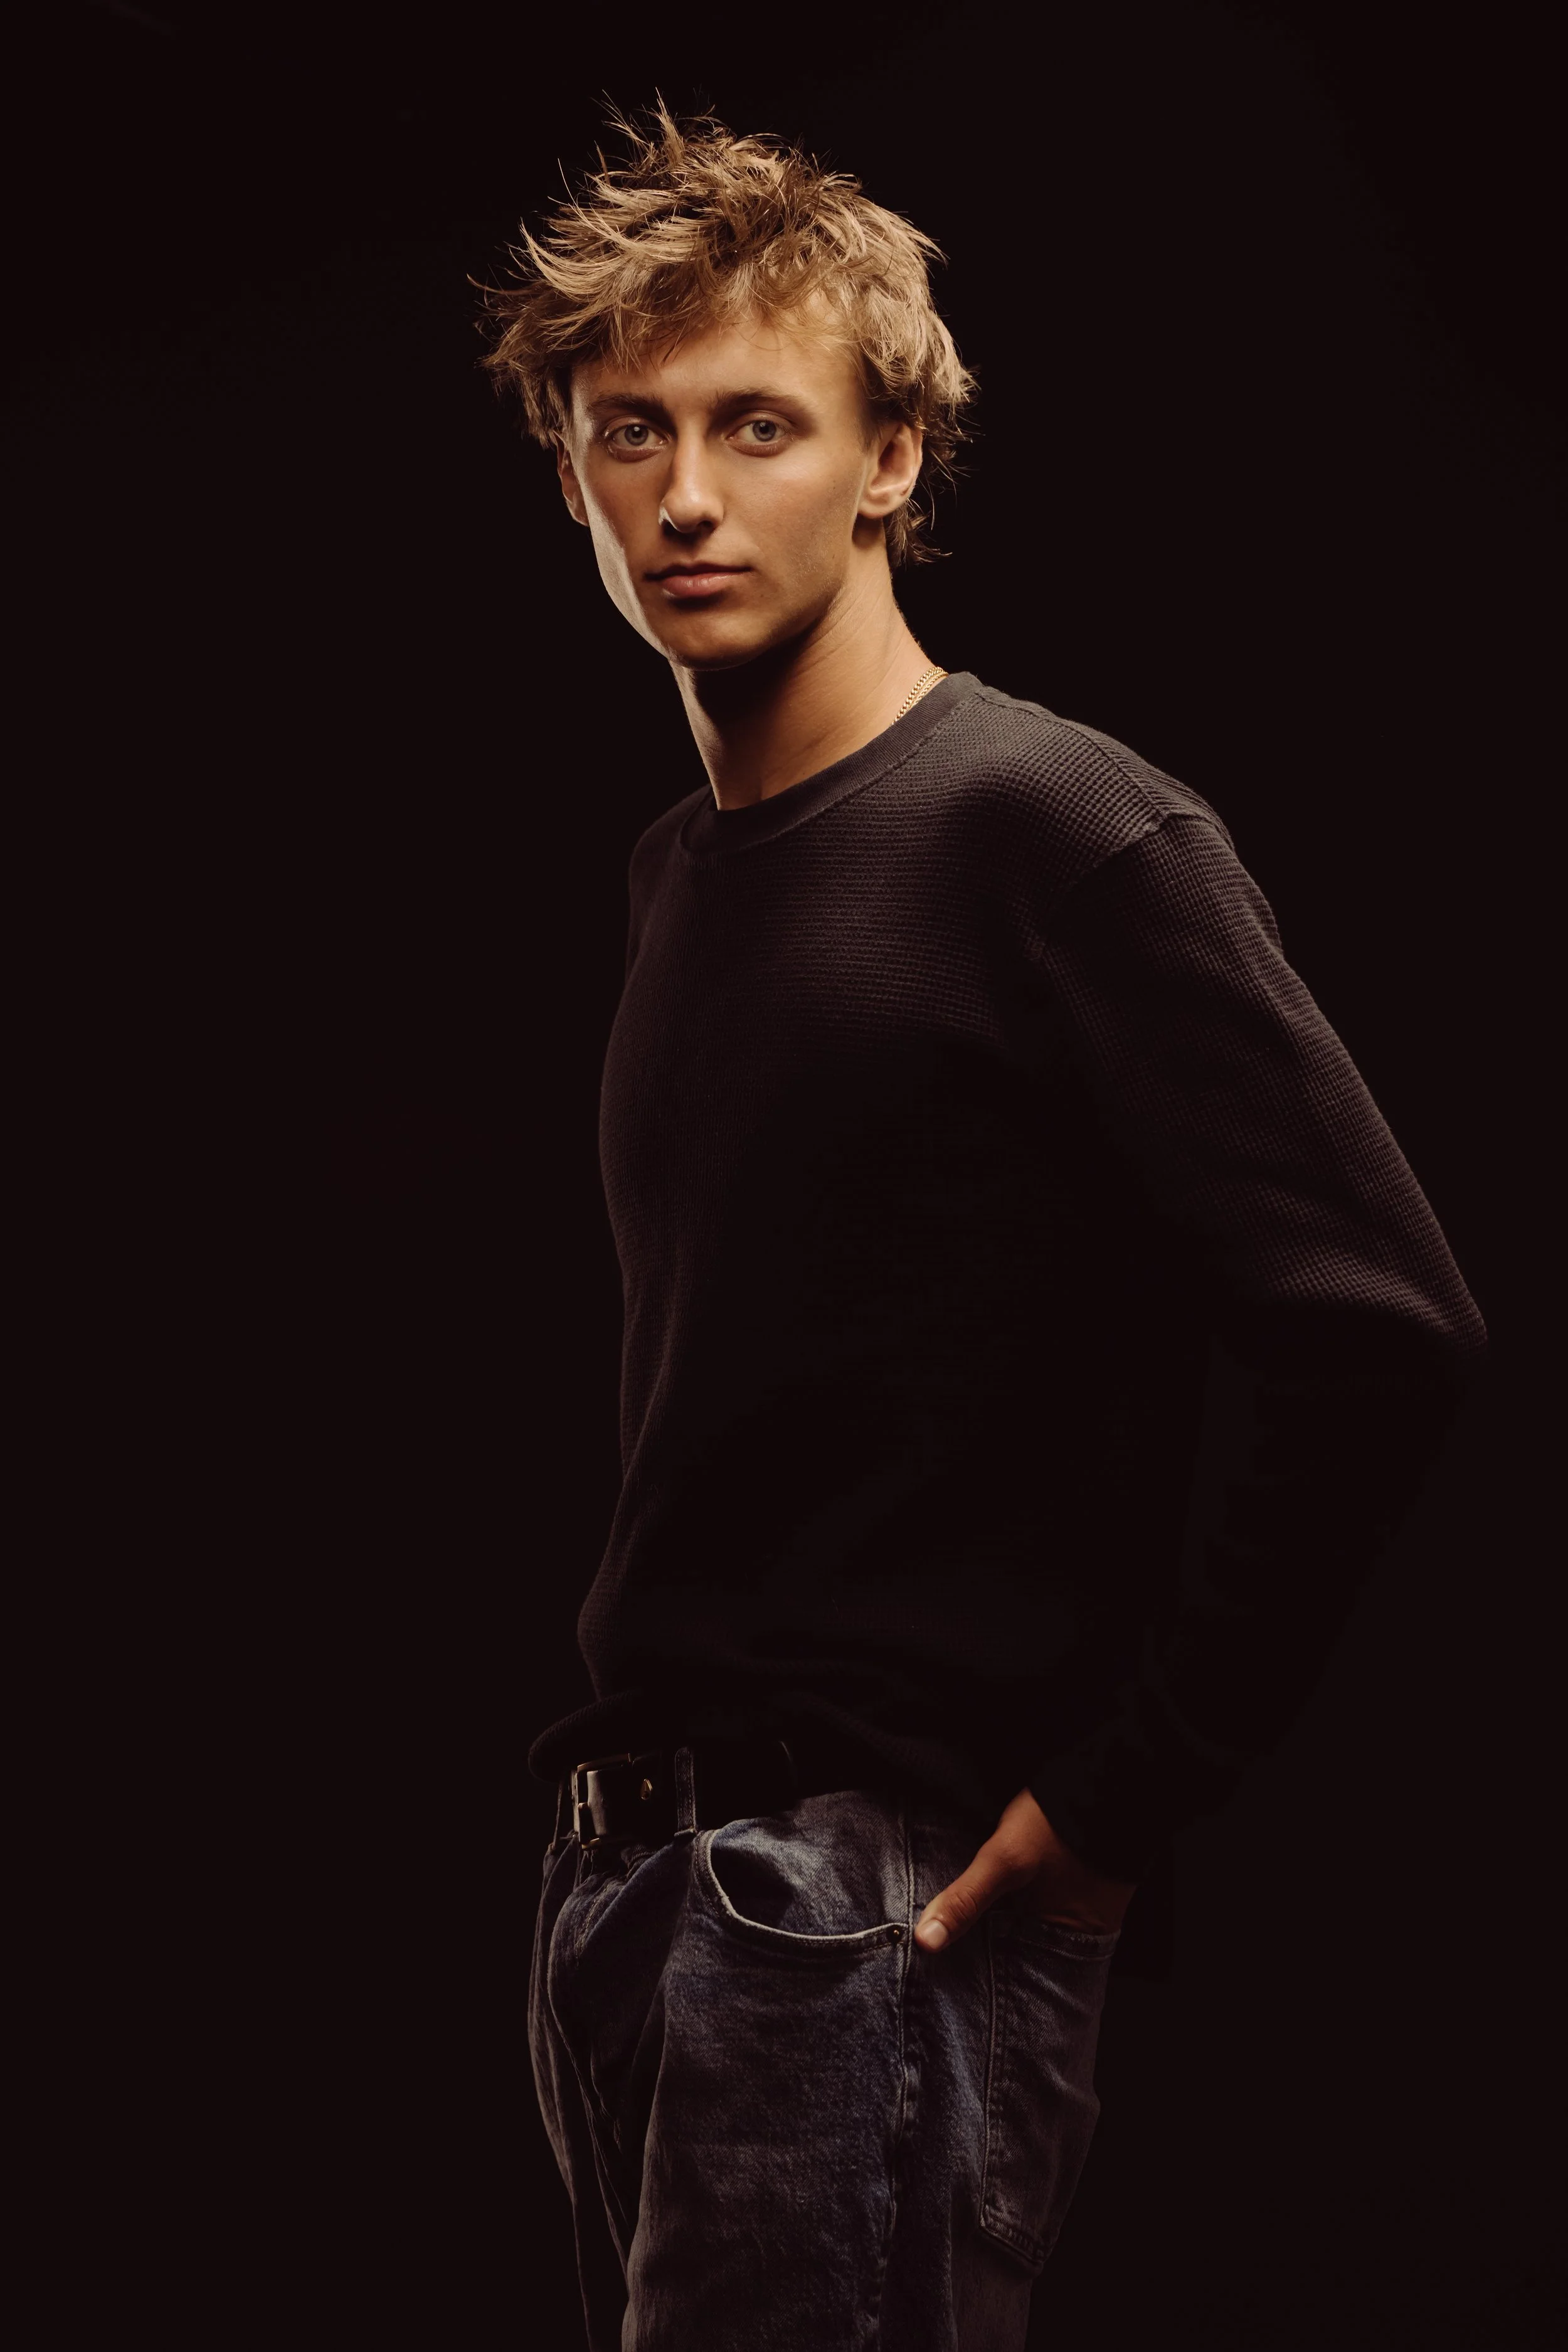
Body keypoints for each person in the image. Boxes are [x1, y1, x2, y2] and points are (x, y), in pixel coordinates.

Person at [479, 103, 1488, 2351]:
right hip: (628, 1887)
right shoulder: (681, 875)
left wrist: (1113, 1806)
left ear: (890, 461)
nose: (686, 494)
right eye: (626, 430)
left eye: (758, 424)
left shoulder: (1053, 828)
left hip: (864, 1905)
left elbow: (1378, 1326)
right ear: (565, 468)